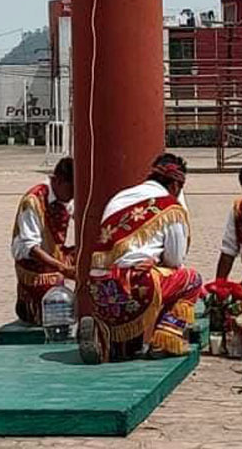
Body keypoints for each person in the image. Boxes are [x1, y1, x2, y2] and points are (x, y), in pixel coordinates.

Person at [78, 153, 204, 364]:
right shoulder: (171, 207)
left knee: (126, 345)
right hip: (136, 287)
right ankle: (164, 340)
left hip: (99, 288)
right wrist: (156, 260)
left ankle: (104, 337)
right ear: (175, 185)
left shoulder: (119, 198)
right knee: (191, 280)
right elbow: (174, 260)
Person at [11, 157, 76, 325]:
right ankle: (30, 307)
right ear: (59, 182)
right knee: (53, 305)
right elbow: (31, 247)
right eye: (71, 190)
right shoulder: (32, 201)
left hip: (56, 253)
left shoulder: (67, 199)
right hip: (34, 263)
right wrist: (62, 268)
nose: (72, 197)